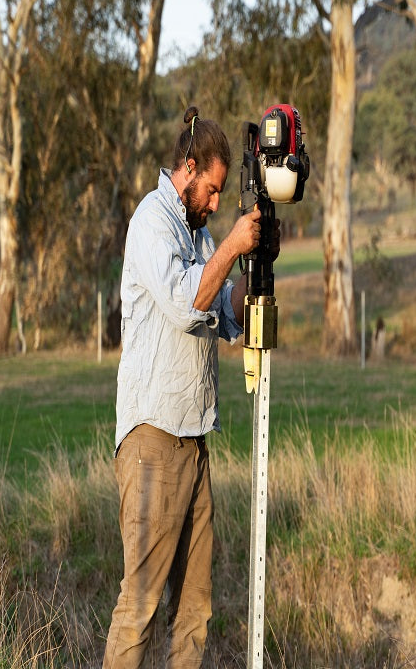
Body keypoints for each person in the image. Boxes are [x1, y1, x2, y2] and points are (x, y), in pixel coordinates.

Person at [103, 105, 273, 668]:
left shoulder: (197, 232)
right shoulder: (153, 221)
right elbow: (185, 304)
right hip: (154, 439)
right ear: (189, 166)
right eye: (214, 190)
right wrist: (230, 246)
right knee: (143, 602)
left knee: (195, 608)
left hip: (194, 441)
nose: (218, 202)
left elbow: (222, 315)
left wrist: (255, 265)